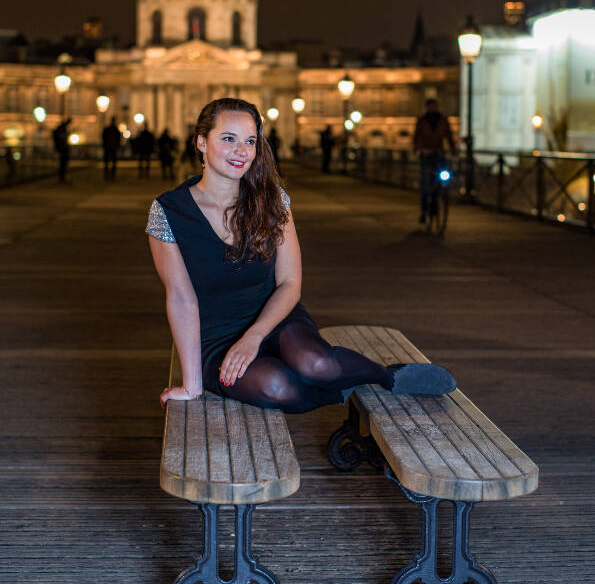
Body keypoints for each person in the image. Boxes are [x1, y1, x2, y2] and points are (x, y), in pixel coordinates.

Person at [146, 97, 456, 411]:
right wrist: (191, 385)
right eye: (228, 139)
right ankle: (340, 387)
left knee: (316, 364)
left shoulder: (272, 200)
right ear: (201, 142)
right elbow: (181, 298)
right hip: (217, 337)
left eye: (250, 141)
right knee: (277, 385)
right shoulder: (169, 211)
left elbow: (290, 283)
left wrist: (254, 336)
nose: (241, 151)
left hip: (277, 318)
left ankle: (385, 375)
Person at [413, 98, 457, 223]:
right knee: (425, 184)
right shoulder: (422, 120)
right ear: (427, 107)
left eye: (434, 106)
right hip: (426, 155)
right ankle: (424, 212)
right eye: (431, 106)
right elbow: (417, 137)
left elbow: (449, 135)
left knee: (444, 175)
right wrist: (418, 149)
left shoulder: (443, 120)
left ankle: (441, 192)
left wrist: (453, 148)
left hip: (439, 154)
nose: (433, 108)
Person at [52, 117, 72, 183]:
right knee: (63, 164)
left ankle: (62, 177)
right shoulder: (62, 130)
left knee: (63, 163)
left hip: (62, 148)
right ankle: (62, 177)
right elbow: (62, 139)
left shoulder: (60, 129)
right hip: (63, 148)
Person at [102, 116, 121, 181]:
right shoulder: (116, 130)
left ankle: (107, 175)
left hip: (108, 148)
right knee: (112, 163)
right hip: (112, 148)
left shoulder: (108, 129)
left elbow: (103, 138)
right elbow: (118, 139)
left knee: (108, 163)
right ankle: (111, 175)